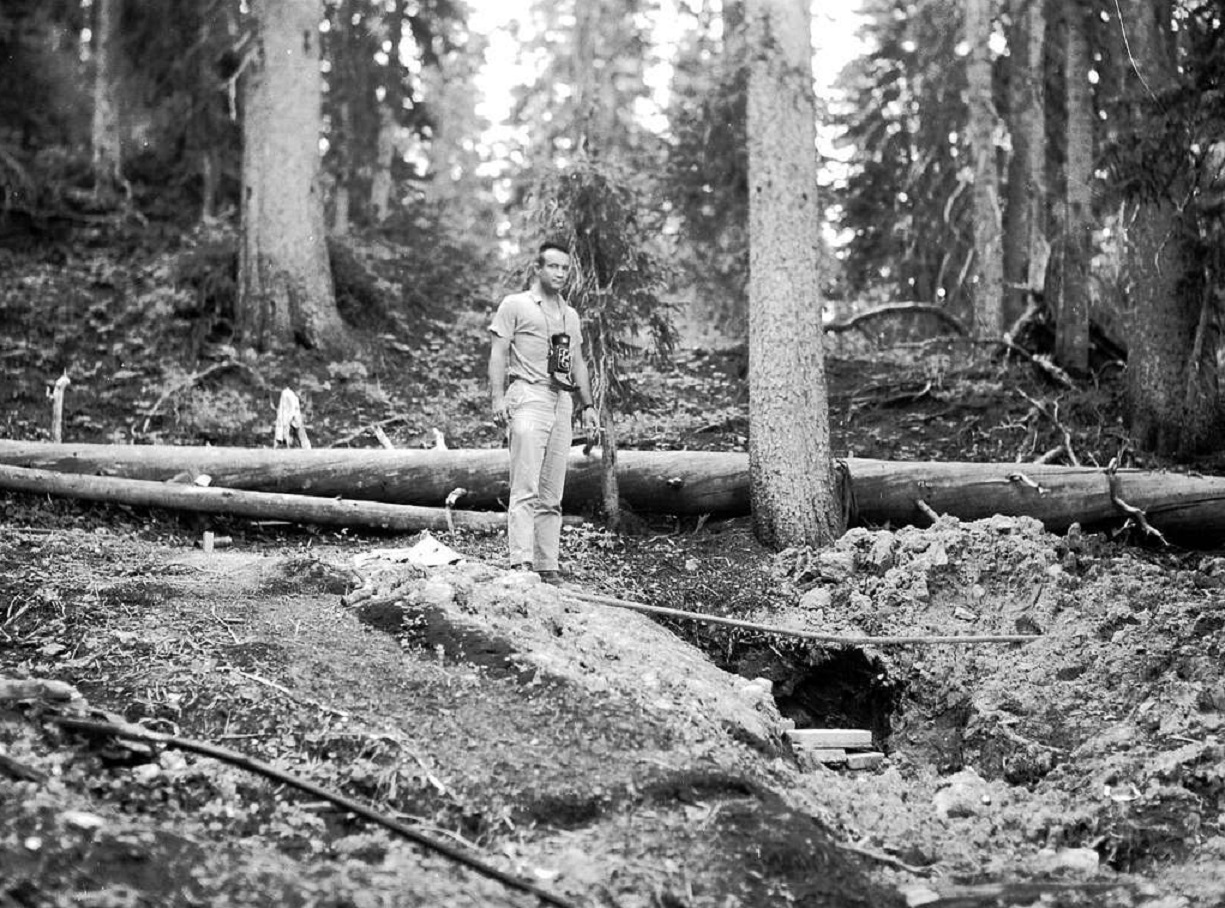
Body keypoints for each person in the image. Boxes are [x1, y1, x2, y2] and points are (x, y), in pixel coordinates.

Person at [488, 241, 600, 584]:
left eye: (565, 268)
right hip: (528, 394)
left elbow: (578, 361)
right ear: (537, 268)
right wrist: (497, 399)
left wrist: (588, 405)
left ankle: (546, 565)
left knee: (552, 492)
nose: (560, 273)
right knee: (525, 486)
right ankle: (520, 563)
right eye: (553, 266)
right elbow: (498, 352)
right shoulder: (516, 305)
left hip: (561, 400)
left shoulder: (569, 315)